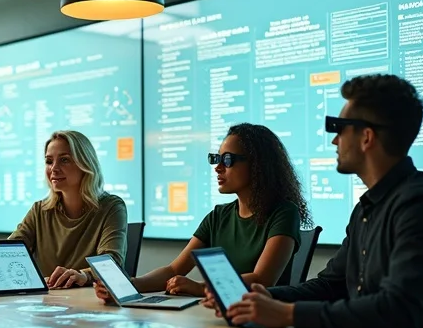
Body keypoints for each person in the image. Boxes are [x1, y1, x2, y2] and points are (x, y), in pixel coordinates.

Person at [214, 74, 423, 328]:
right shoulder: (367, 208)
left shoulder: (421, 205)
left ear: (366, 137)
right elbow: (331, 285)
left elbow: (397, 311)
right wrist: (261, 298)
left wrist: (289, 314)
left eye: (339, 127)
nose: (335, 141)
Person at [95, 123, 309, 304]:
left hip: (262, 319)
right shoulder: (218, 216)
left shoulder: (284, 213)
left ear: (258, 165)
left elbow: (262, 279)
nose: (218, 168)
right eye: (217, 159)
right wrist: (128, 286)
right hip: (219, 313)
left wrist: (199, 288)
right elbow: (173, 269)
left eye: (227, 160)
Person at [0, 130, 127, 289]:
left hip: (91, 305)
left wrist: (83, 275)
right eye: (49, 161)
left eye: (64, 160)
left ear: (85, 164)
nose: (54, 168)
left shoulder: (111, 207)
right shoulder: (40, 210)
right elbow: (10, 251)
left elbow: (111, 262)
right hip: (45, 304)